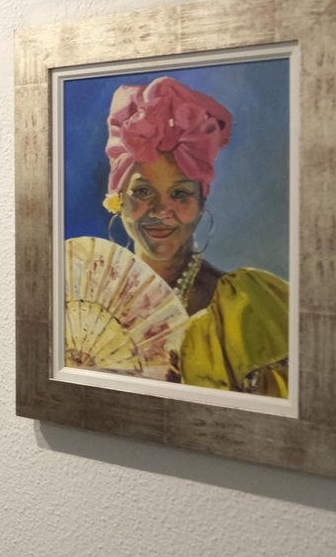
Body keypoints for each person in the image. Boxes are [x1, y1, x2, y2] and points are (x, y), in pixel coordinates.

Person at [100, 75, 289, 396]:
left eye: (180, 194)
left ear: (202, 204)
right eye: (143, 191)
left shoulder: (243, 307)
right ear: (118, 200)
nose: (161, 210)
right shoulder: (83, 294)